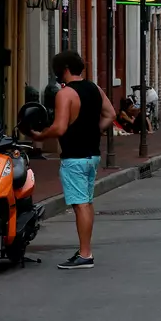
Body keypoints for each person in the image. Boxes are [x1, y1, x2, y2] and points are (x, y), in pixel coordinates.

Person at [30, 50, 116, 270]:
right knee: (86, 202)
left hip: (74, 157)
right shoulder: (94, 88)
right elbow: (111, 115)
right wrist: (94, 131)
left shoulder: (65, 94)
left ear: (65, 69)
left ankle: (85, 254)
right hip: (92, 155)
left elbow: (59, 127)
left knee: (80, 205)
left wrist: (40, 136)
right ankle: (84, 250)